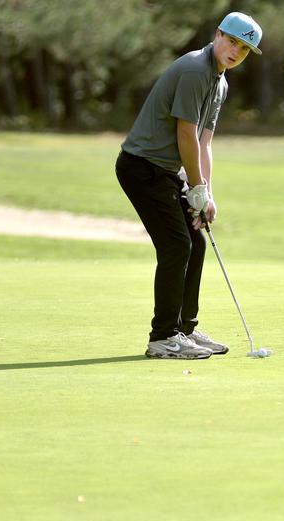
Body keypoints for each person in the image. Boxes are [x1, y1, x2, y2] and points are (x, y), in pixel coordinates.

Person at [115, 12, 263, 359]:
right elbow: (185, 134)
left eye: (244, 49)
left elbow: (204, 141)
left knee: (195, 243)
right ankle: (162, 337)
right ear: (217, 34)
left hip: (166, 170)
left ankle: (184, 329)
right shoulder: (196, 70)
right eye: (231, 41)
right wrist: (195, 187)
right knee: (177, 246)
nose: (234, 51)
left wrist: (205, 192)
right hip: (141, 167)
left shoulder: (220, 82)